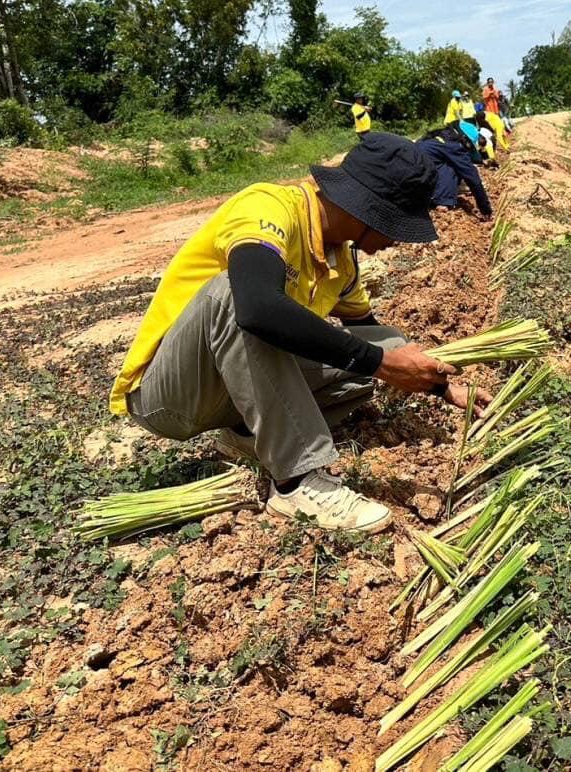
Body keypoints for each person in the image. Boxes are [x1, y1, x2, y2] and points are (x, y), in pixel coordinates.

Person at [109, 133, 491, 533]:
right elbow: (257, 308)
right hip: (171, 396)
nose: (396, 239)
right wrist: (380, 363)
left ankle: (243, 436)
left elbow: (371, 337)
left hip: (230, 391)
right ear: (369, 209)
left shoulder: (340, 260)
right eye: (396, 225)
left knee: (387, 343)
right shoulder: (270, 208)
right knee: (236, 298)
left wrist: (441, 387)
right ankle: (296, 483)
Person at [417, 121, 493, 219]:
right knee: (453, 167)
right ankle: (442, 201)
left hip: (415, 175)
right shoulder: (455, 147)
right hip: (424, 179)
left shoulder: (440, 137)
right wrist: (485, 209)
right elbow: (472, 178)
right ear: (467, 142)